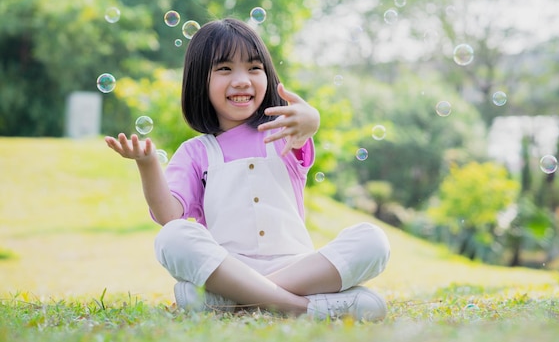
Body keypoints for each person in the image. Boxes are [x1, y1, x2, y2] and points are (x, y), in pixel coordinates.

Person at [104, 17, 391, 320]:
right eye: (225, 69)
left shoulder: (282, 132)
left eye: (254, 68)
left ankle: (234, 302)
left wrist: (312, 119)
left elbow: (305, 124)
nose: (242, 79)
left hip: (300, 267)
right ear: (200, 80)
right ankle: (302, 307)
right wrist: (147, 164)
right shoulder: (196, 152)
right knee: (172, 237)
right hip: (229, 268)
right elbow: (168, 216)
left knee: (373, 240)